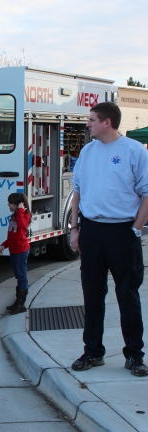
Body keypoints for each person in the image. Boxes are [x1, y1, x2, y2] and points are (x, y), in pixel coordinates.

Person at [70, 101, 148, 377]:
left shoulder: (134, 151)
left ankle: (134, 355)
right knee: (92, 294)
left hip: (122, 232)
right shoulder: (87, 151)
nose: (87, 124)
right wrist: (75, 228)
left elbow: (146, 193)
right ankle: (93, 351)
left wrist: (135, 229)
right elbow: (77, 191)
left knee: (127, 295)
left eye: (92, 119)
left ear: (107, 122)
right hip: (92, 231)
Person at [0, 193, 31, 315]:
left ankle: (21, 304)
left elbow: (22, 226)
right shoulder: (15, 216)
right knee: (18, 276)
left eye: (11, 203)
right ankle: (17, 302)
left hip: (21, 251)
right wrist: (4, 244)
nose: (9, 205)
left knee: (22, 276)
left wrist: (21, 210)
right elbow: (12, 234)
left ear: (18, 204)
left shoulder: (25, 215)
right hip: (14, 250)